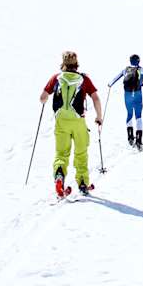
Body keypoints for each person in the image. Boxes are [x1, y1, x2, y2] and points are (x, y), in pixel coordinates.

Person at [40, 51, 103, 197]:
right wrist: (99, 117)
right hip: (78, 122)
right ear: (76, 63)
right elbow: (95, 98)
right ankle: (82, 183)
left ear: (63, 63)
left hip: (61, 121)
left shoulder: (56, 78)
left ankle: (59, 176)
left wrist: (46, 100)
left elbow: (43, 97)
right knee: (81, 152)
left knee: (61, 153)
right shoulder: (84, 79)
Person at [108, 54, 143, 150]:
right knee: (138, 116)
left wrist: (110, 85)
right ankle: (138, 141)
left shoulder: (125, 70)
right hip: (138, 94)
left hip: (127, 95)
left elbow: (112, 81)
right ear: (138, 61)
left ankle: (130, 137)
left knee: (129, 114)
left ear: (130, 61)